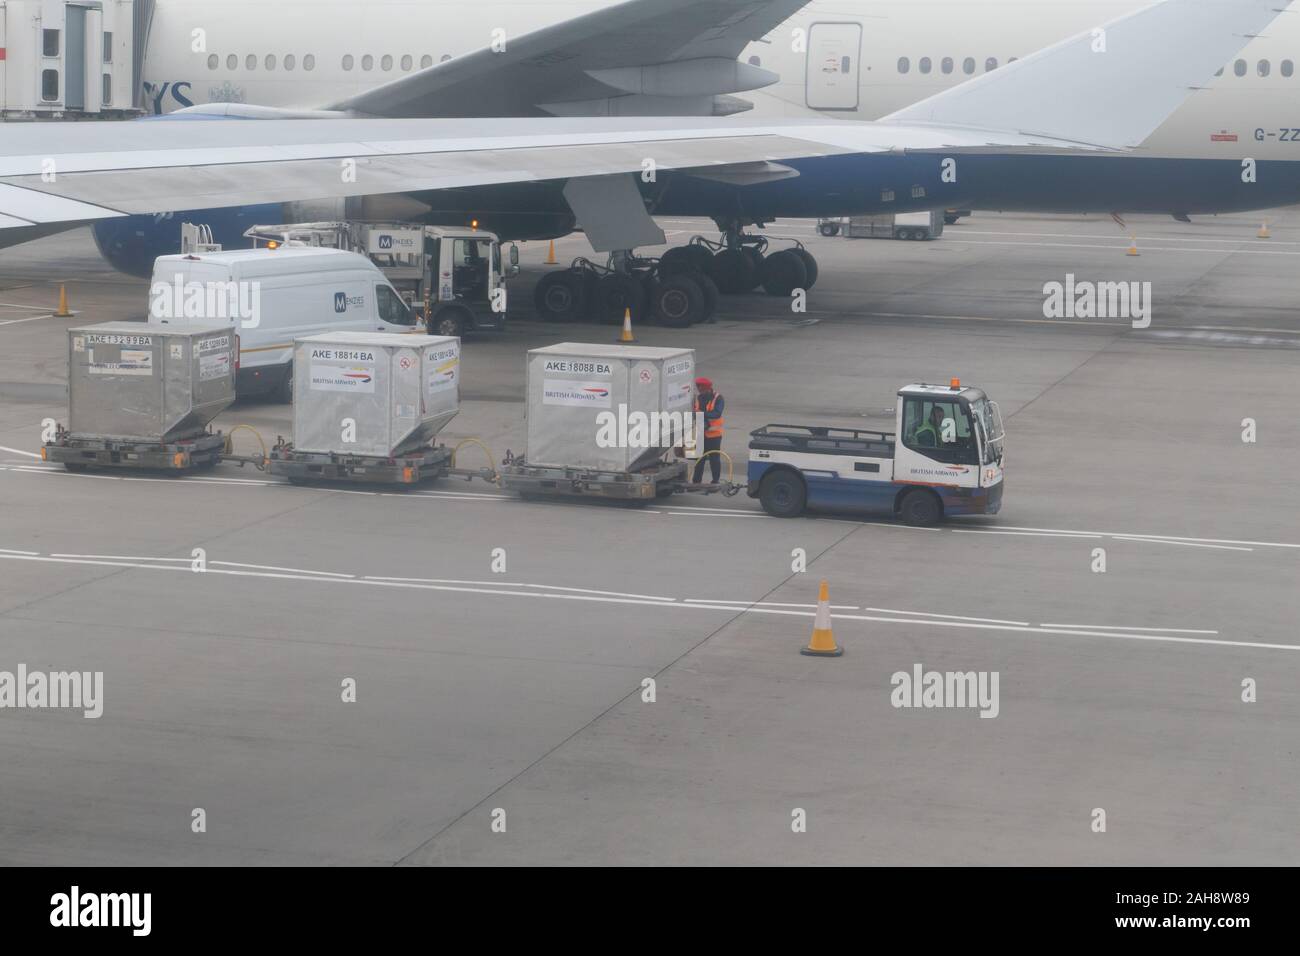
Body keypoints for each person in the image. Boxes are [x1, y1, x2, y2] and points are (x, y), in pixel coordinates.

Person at [692, 376, 725, 483]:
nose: (699, 391)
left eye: (701, 389)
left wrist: (701, 414)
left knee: (714, 459)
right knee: (699, 459)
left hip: (714, 435)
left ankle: (715, 481)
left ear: (707, 388)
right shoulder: (698, 398)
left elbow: (717, 413)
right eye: (698, 388)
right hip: (701, 434)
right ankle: (696, 482)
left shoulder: (718, 398)